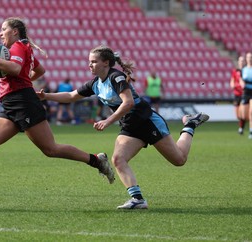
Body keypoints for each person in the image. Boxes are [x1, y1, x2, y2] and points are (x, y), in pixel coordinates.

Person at [0, 17, 115, 203]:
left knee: (51, 149)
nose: (0, 33)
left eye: (3, 29)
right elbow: (39, 71)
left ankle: (97, 160)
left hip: (23, 102)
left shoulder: (17, 47)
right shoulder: (23, 48)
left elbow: (15, 69)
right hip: (11, 104)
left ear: (15, 31)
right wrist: (24, 78)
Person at [37, 45, 210, 209]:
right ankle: (138, 199)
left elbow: (128, 103)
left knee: (179, 160)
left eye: (94, 61)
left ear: (106, 62)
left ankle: (190, 124)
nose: (90, 65)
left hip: (147, 121)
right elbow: (71, 95)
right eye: (89, 61)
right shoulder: (95, 83)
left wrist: (108, 120)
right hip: (130, 127)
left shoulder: (116, 77)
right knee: (118, 159)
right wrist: (46, 96)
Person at [230, 55, 247, 135]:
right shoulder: (235, 71)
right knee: (237, 115)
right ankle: (241, 125)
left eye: (243, 60)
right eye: (240, 60)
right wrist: (232, 84)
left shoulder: (246, 71)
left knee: (243, 113)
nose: (241, 62)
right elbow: (232, 81)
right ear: (238, 62)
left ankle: (241, 128)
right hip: (237, 94)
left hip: (244, 94)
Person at [240, 52, 252, 139]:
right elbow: (241, 79)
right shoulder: (243, 69)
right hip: (246, 92)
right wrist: (242, 83)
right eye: (248, 57)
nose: (249, 59)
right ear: (246, 59)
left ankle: (251, 131)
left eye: (251, 57)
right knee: (244, 115)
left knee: (251, 112)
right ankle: (243, 125)